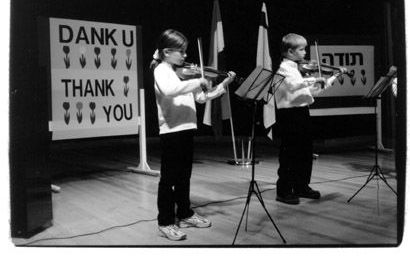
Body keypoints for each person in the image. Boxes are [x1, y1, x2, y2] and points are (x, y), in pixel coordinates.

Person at [151, 29, 236, 240]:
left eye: (185, 51)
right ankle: (165, 222)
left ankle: (185, 213)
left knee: (184, 176)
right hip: (171, 131)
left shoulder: (183, 74)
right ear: (167, 52)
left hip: (187, 128)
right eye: (181, 51)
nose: (185, 56)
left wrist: (222, 85)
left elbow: (201, 98)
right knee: (168, 178)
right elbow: (171, 90)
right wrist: (198, 80)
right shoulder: (161, 70)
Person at [274, 33, 345, 205]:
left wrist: (332, 78)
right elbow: (293, 84)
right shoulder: (284, 68)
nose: (305, 53)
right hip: (289, 115)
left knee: (305, 151)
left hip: (301, 113)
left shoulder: (297, 71)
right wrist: (315, 78)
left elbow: (310, 93)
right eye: (302, 49)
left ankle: (301, 185)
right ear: (290, 51)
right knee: (289, 153)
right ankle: (283, 190)